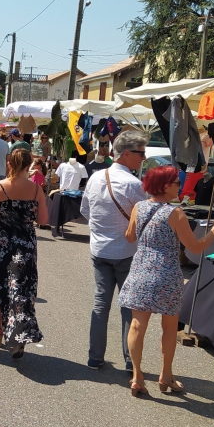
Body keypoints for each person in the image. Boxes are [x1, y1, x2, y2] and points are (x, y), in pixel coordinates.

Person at [119, 166, 214, 396]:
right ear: (165, 185)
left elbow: (129, 237)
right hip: (167, 275)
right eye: (176, 183)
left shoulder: (139, 207)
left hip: (140, 271)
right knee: (169, 327)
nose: (180, 186)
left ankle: (137, 376)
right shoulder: (175, 213)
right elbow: (195, 247)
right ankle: (166, 375)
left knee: (137, 326)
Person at [80, 130, 149, 371]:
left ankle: (94, 357)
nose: (144, 157)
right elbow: (146, 219)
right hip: (126, 251)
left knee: (101, 304)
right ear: (127, 153)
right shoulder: (134, 185)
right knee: (129, 306)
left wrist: (103, 230)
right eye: (141, 153)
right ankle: (130, 360)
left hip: (100, 249)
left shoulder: (96, 178)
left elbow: (85, 211)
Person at [0, 149, 49, 357]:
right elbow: (43, 221)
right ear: (29, 166)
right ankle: (20, 334)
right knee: (23, 289)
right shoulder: (36, 189)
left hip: (1, 243)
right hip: (26, 244)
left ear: (9, 164)